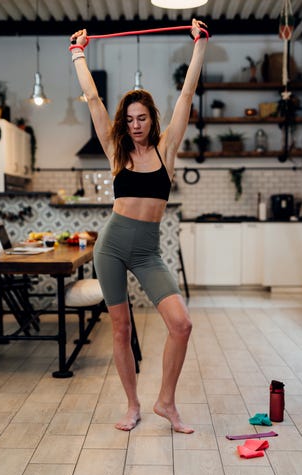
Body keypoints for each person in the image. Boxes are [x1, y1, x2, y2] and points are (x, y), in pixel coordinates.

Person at [70, 20, 207, 433]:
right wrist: (78, 53)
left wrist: (198, 44)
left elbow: (187, 94)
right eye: (129, 118)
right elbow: (92, 99)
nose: (135, 124)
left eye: (142, 117)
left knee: (181, 324)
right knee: (121, 327)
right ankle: (132, 405)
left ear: (152, 119)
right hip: (111, 246)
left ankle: (166, 401)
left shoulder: (167, 149)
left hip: (148, 251)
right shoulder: (116, 152)